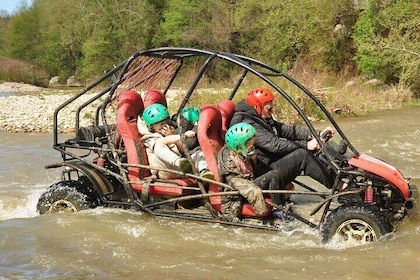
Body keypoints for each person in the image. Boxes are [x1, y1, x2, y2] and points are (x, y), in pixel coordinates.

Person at [229, 87, 335, 190]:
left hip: (270, 161)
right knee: (302, 155)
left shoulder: (261, 116)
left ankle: (343, 165)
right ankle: (340, 187)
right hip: (263, 173)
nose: (271, 111)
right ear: (257, 107)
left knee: (315, 148)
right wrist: (307, 145)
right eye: (269, 109)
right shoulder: (245, 122)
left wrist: (315, 134)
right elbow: (274, 145)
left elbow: (286, 130)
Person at [218, 122, 294, 222]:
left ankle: (280, 206)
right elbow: (247, 188)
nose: (252, 147)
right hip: (238, 193)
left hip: (248, 182)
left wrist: (254, 162)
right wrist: (262, 210)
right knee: (273, 175)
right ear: (239, 146)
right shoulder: (229, 165)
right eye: (250, 145)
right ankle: (277, 210)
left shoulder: (240, 153)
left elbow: (255, 172)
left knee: (276, 173)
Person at [141, 103, 213, 180]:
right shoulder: (150, 137)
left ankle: (203, 171)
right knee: (159, 144)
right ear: (152, 127)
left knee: (198, 152)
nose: (165, 125)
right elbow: (163, 141)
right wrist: (182, 136)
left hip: (181, 168)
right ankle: (179, 162)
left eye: (166, 122)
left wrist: (172, 136)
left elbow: (183, 150)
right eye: (161, 124)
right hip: (165, 171)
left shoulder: (171, 132)